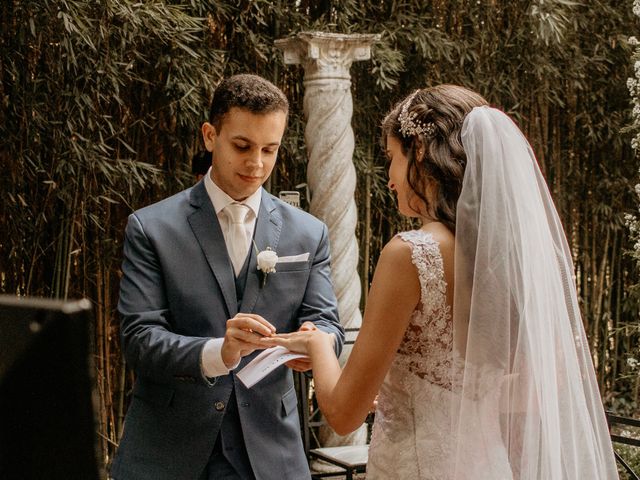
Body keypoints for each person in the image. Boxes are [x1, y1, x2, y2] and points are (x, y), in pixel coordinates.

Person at [263, 85, 619, 479]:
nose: (389, 178)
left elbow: (344, 414)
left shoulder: (411, 254)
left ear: (417, 150)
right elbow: (533, 392)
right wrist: (420, 395)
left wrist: (316, 345)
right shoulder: (507, 257)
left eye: (391, 158)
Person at [111, 74, 344, 480]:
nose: (256, 164)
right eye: (242, 146)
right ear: (209, 135)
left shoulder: (309, 232)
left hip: (272, 454)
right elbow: (139, 338)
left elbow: (329, 326)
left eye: (269, 149)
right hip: (170, 454)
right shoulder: (151, 229)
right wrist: (221, 352)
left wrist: (315, 343)